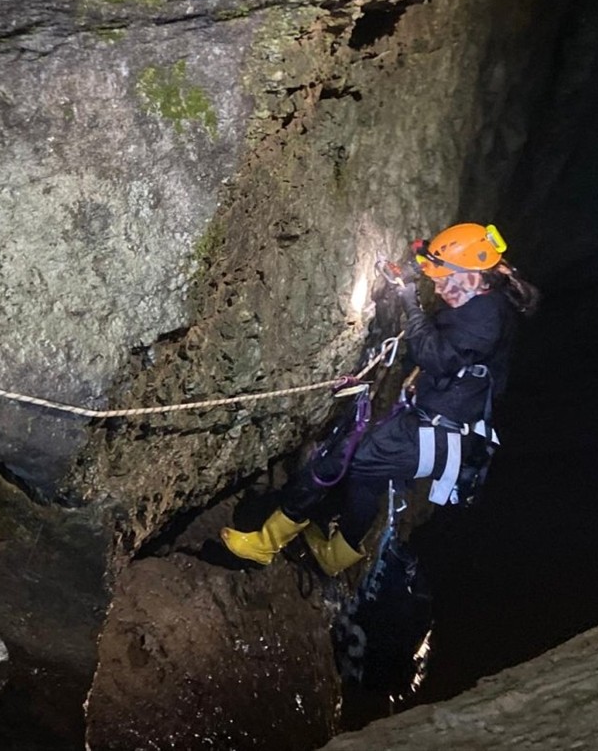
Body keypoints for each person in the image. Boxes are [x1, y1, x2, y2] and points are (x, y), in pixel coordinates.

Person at [220, 222, 540, 576]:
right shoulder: (485, 291)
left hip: (438, 434)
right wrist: (412, 267)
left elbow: (435, 357)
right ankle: (335, 557)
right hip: (442, 426)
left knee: (339, 459)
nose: (437, 285)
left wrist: (410, 303)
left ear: (471, 275)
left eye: (444, 278)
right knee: (366, 478)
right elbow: (434, 268)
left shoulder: (484, 317)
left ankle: (264, 544)